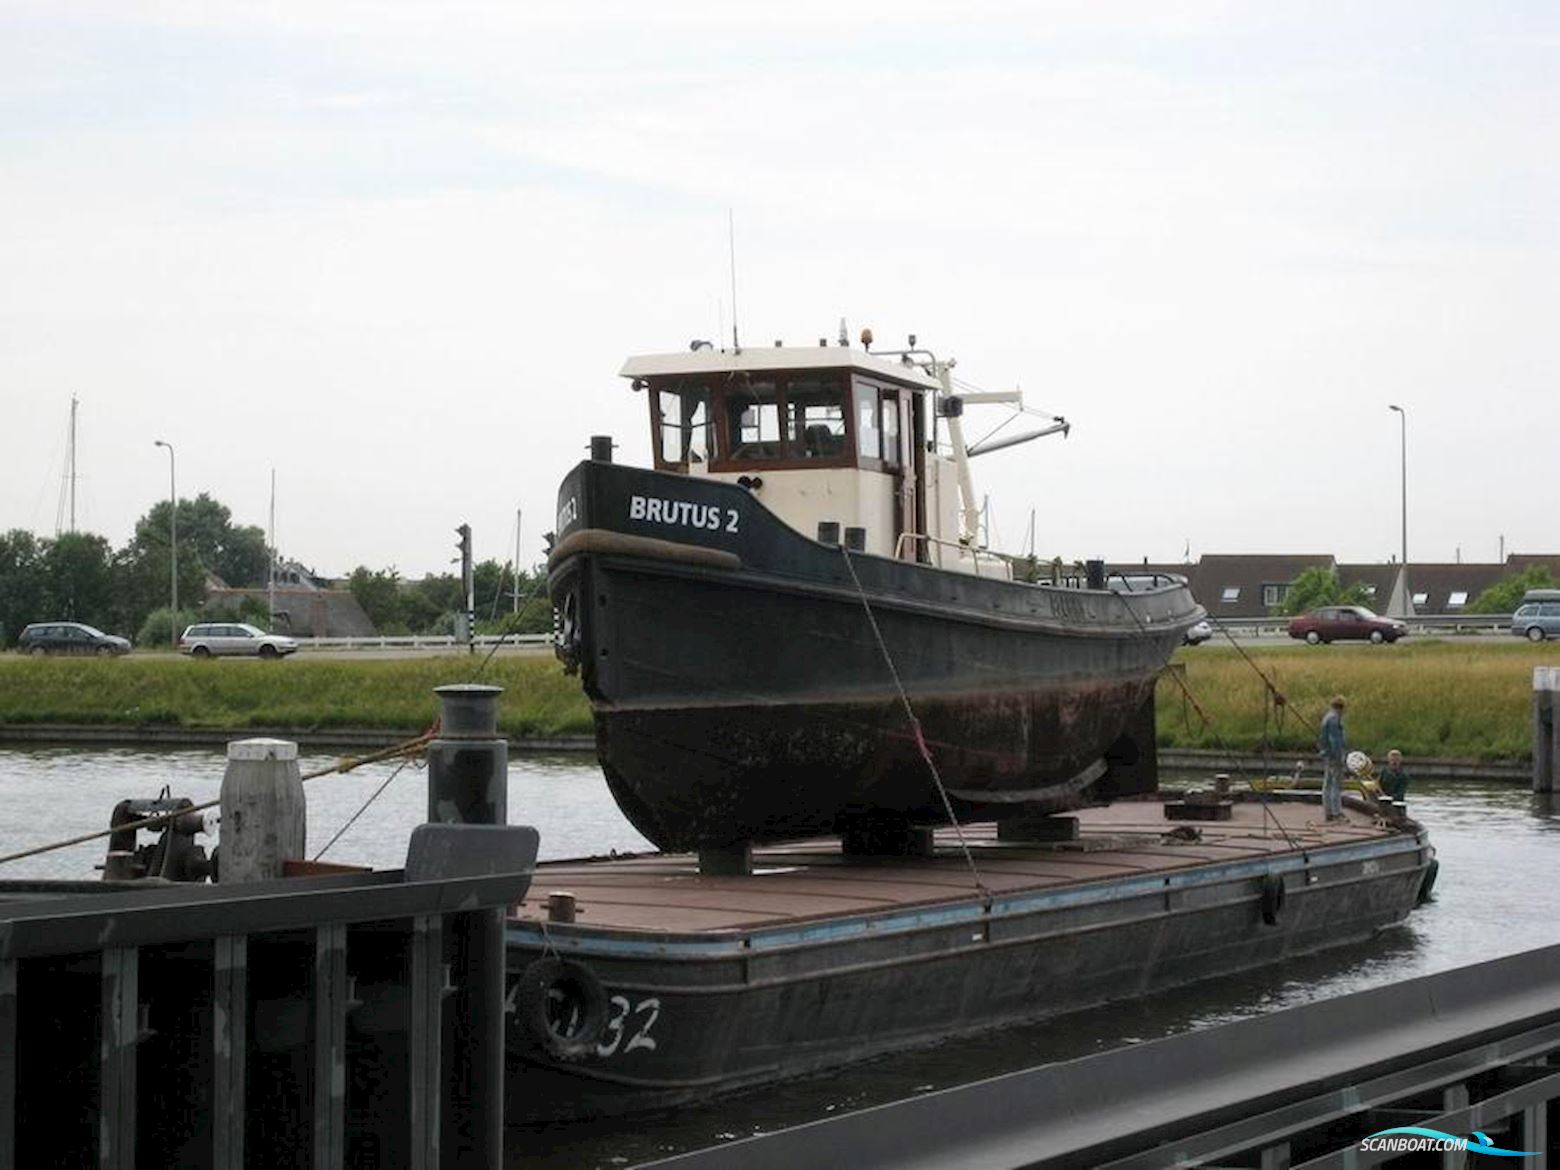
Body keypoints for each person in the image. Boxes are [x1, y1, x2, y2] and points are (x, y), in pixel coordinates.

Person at [1317, 695, 1347, 822]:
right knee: (1336, 784)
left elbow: (1323, 738)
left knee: (1327, 783)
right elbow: (1335, 740)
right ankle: (1336, 812)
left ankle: (1328, 811)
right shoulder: (1335, 719)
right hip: (1334, 756)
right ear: (1341, 707)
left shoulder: (1326, 718)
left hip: (1326, 755)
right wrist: (1339, 756)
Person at [1379, 749, 1411, 814]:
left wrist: (1390, 798)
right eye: (1392, 760)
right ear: (1389, 761)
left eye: (1396, 760)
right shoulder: (1384, 772)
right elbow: (1379, 784)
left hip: (1397, 804)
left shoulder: (1404, 776)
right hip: (1384, 800)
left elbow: (1401, 793)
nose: (1394, 762)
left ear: (1400, 761)